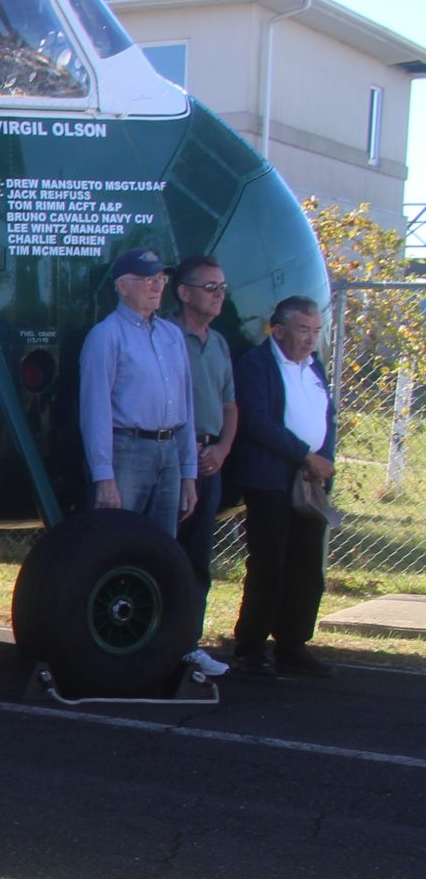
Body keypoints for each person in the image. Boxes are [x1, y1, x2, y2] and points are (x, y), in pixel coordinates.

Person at [229, 295, 338, 678]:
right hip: (270, 480)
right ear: (278, 330)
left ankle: (292, 645)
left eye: (316, 331)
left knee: (307, 566)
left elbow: (327, 415)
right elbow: (257, 422)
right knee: (269, 564)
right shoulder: (256, 365)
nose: (310, 339)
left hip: (310, 481)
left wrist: (323, 459)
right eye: (303, 330)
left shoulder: (314, 365)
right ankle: (250, 647)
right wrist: (304, 456)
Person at [77, 248, 197, 533]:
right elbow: (95, 411)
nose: (157, 286)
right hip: (127, 451)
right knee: (118, 538)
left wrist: (188, 473)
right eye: (147, 279)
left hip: (169, 450)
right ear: (122, 287)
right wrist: (104, 477)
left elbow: (186, 407)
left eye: (161, 279)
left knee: (162, 543)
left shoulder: (172, 335)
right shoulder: (106, 336)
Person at [169, 255, 237, 679]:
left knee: (198, 559)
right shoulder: (166, 337)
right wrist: (186, 453)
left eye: (222, 288)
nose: (218, 296)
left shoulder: (220, 344)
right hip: (174, 461)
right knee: (165, 552)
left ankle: (188, 645)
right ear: (183, 292)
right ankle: (157, 644)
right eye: (210, 287)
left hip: (212, 462)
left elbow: (230, 406)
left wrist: (223, 450)